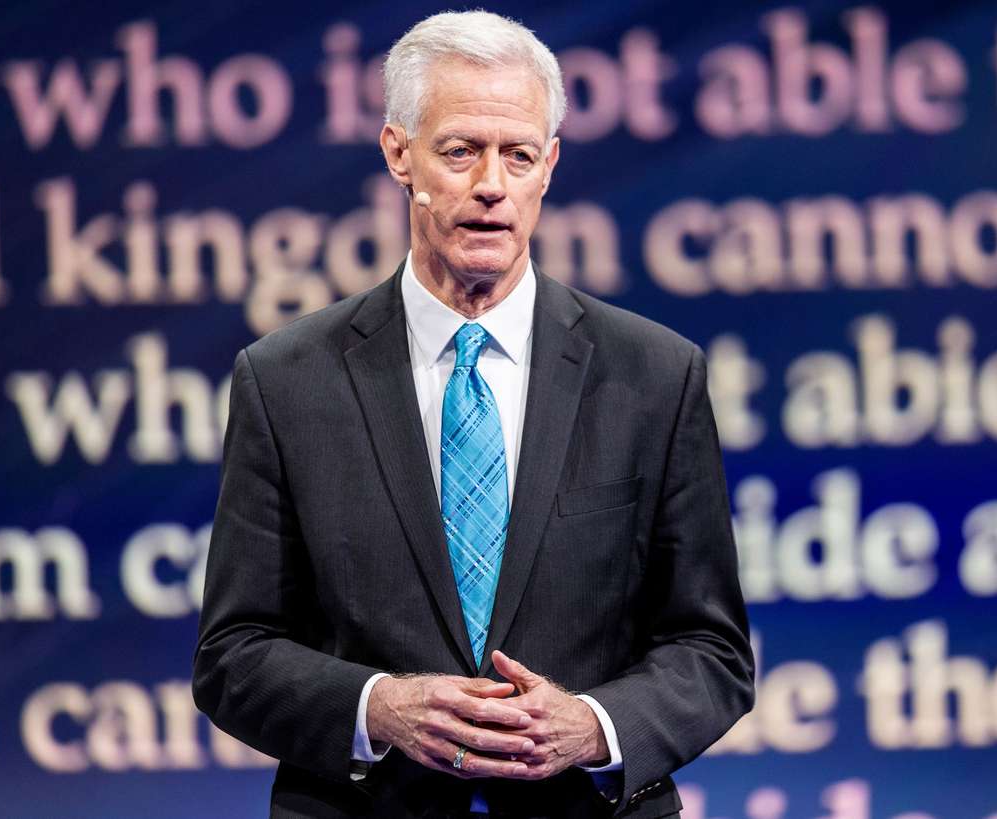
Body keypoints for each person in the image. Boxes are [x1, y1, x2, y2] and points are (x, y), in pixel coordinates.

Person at [193, 10, 753, 818]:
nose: (492, 183)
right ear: (398, 153)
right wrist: (378, 706)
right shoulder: (285, 381)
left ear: (549, 166)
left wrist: (593, 726)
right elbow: (231, 654)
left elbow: (713, 649)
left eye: (518, 154)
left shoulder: (655, 376)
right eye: (460, 151)